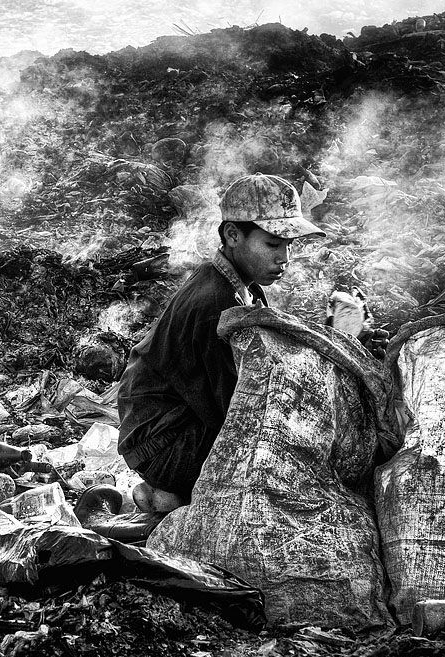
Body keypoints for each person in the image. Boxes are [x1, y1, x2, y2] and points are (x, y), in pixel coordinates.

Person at [117, 173, 326, 512]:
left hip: (170, 427)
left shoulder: (236, 284)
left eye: (289, 245)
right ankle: (170, 489)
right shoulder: (215, 303)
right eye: (273, 244)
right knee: (272, 448)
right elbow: (234, 405)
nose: (284, 258)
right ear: (232, 235)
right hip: (161, 444)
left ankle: (170, 493)